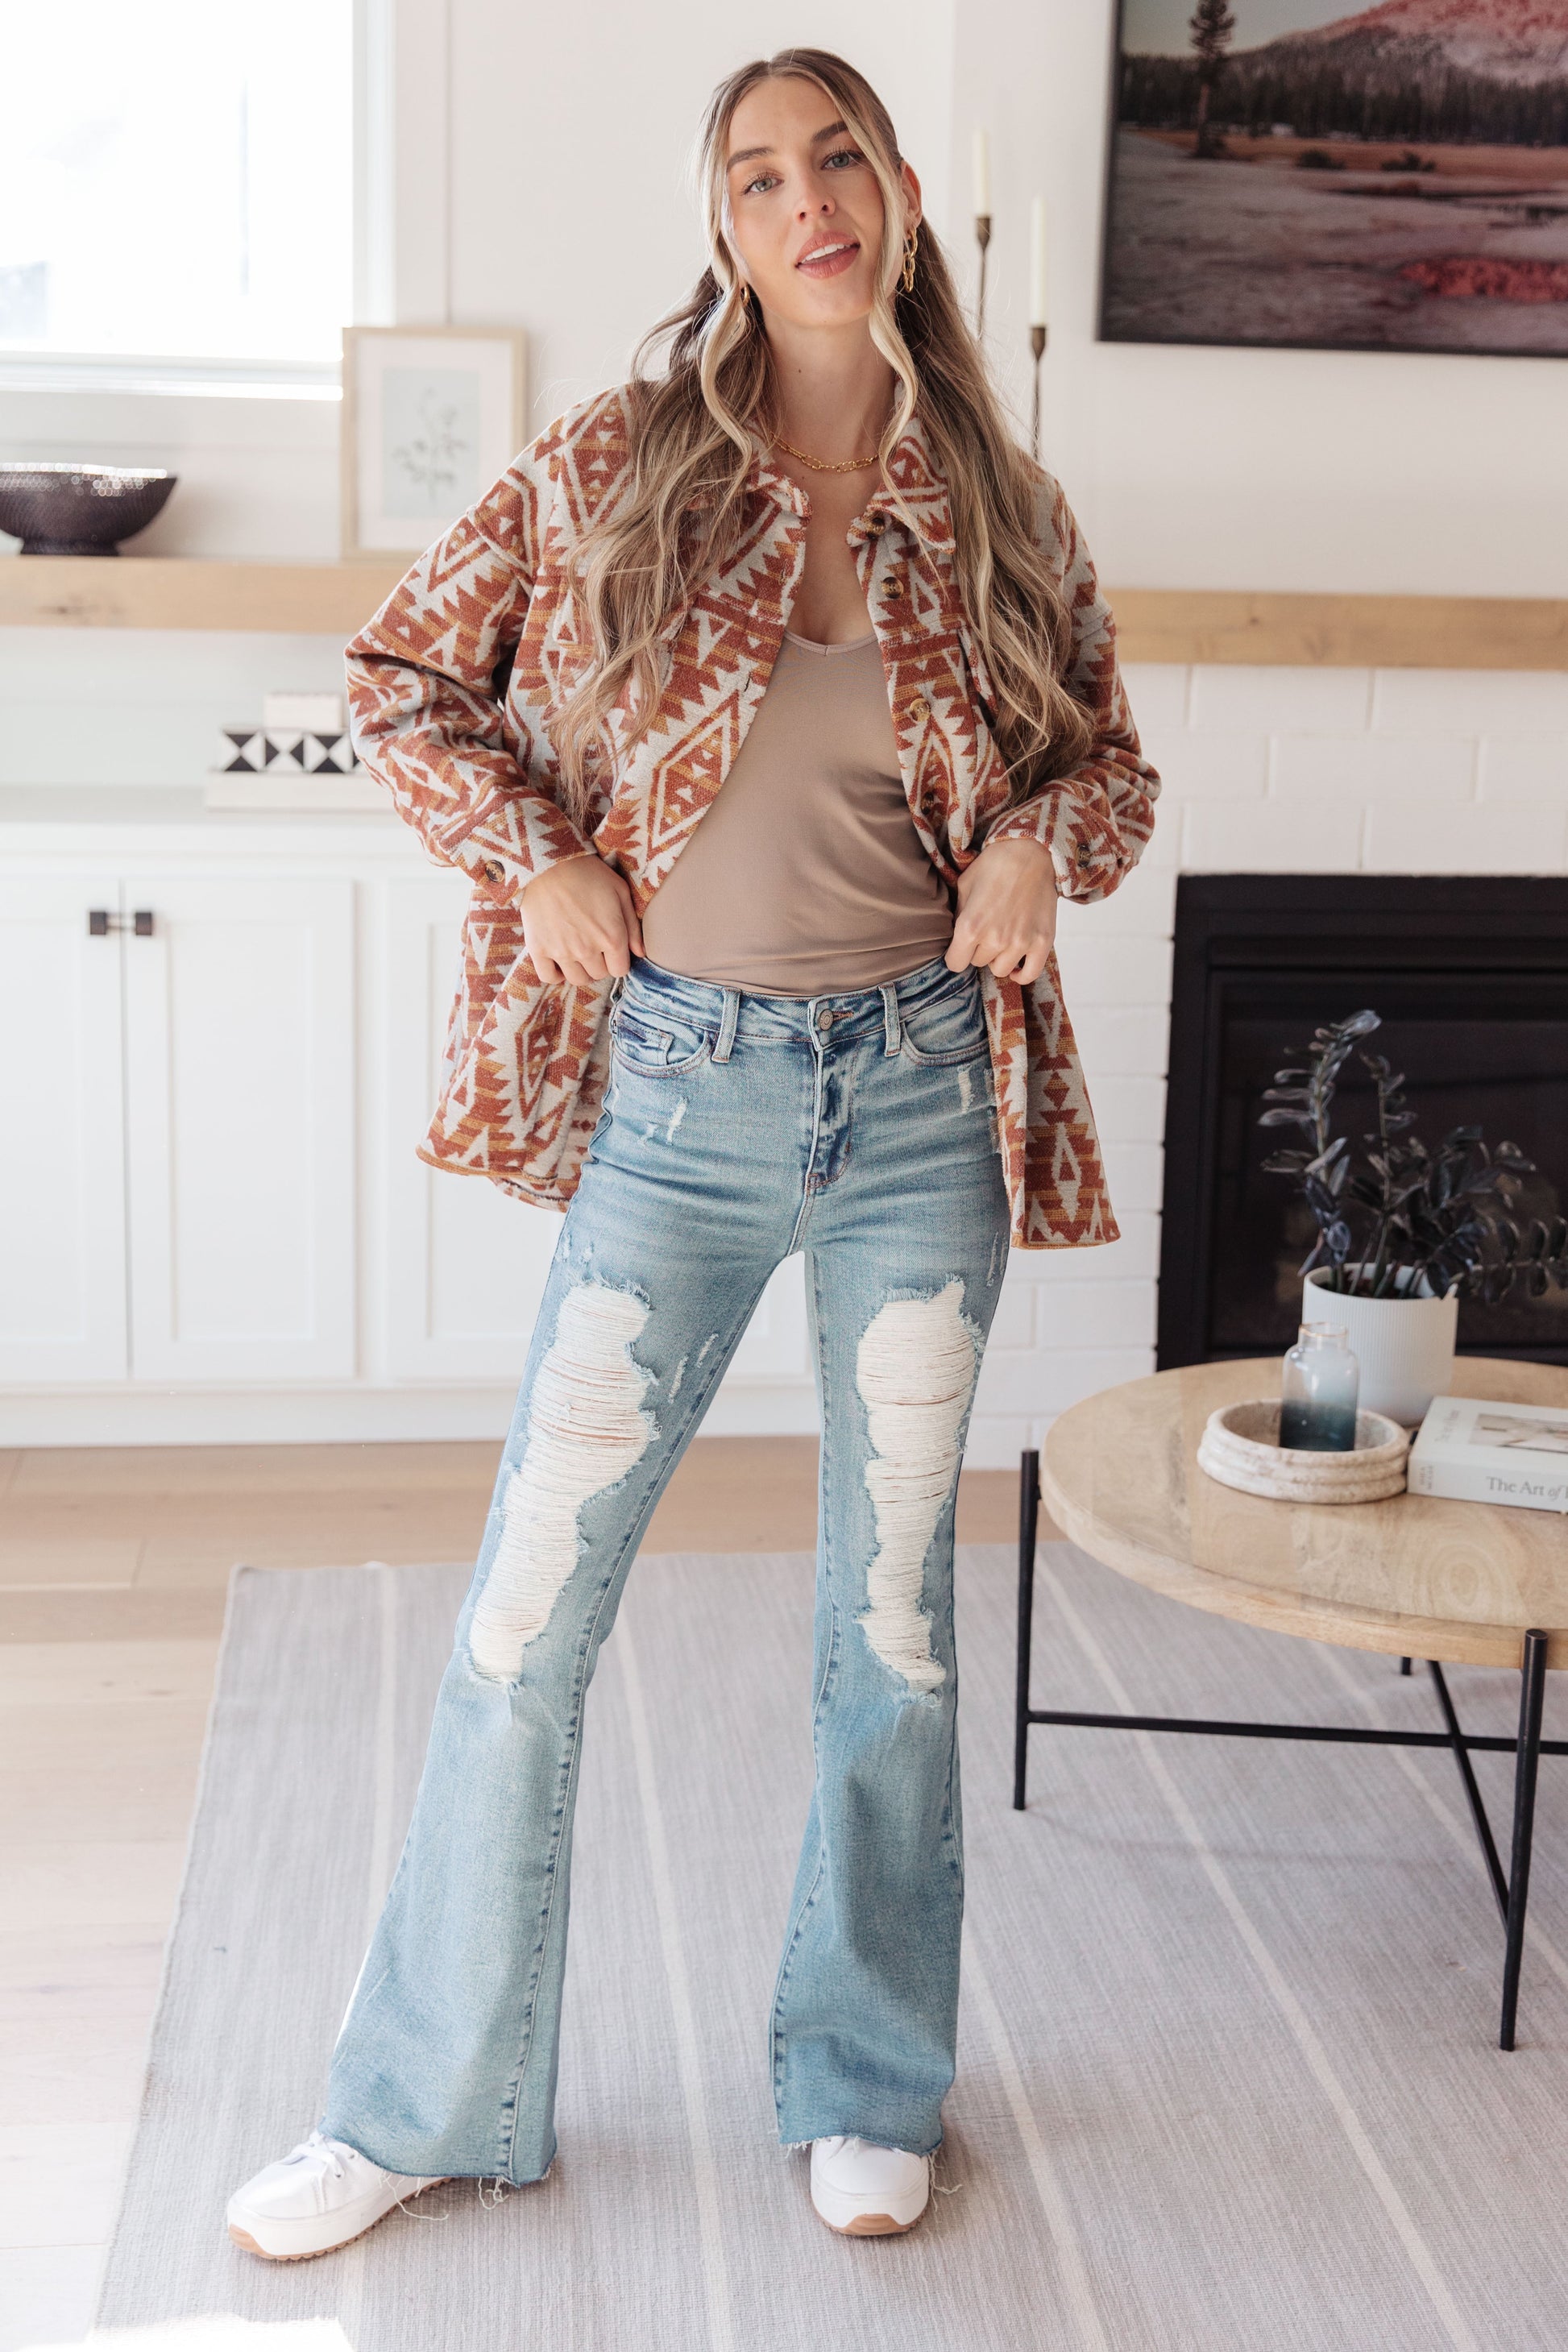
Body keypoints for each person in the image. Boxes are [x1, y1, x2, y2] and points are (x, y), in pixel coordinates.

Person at [226, 45, 1159, 2259]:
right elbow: (403, 674)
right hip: (678, 1100)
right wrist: (536, 857)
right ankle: (418, 2104)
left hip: (919, 1101)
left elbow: (1106, 769)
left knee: (888, 1624)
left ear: (899, 191)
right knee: (525, 1616)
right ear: (722, 227)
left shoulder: (1005, 505)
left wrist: (1037, 842)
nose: (805, 201)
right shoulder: (618, 458)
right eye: (757, 177)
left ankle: (867, 2083)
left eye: (836, 158)